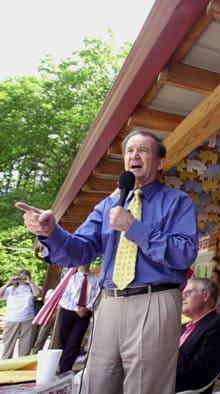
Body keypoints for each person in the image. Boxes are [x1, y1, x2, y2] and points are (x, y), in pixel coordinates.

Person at [16, 130, 199, 393]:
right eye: (129, 151)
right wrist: (51, 232)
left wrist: (133, 227)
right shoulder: (107, 205)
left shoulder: (176, 201)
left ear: (159, 162)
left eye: (144, 150)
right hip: (109, 302)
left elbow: (184, 253)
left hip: (155, 299)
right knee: (99, 382)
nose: (134, 155)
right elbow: (79, 252)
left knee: (146, 386)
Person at [176, 278, 220, 393]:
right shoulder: (184, 327)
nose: (182, 297)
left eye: (188, 293)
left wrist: (166, 353)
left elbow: (199, 372)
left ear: (205, 295)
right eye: (182, 293)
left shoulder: (219, 325)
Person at [56, 264, 100, 373]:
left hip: (85, 313)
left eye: (87, 263)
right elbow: (64, 297)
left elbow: (97, 297)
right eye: (82, 263)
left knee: (74, 341)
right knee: (63, 339)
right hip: (69, 311)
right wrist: (76, 308)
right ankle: (59, 364)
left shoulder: (95, 279)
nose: (85, 265)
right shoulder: (71, 278)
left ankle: (65, 370)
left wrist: (87, 308)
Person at [0, 269, 41, 359]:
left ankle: (22, 365)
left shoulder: (31, 287)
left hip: (28, 318)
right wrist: (9, 282)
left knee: (26, 345)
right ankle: (6, 363)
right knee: (8, 344)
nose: (22, 279)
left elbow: (37, 293)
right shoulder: (10, 289)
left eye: (24, 277)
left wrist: (30, 282)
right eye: (20, 276)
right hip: (12, 318)